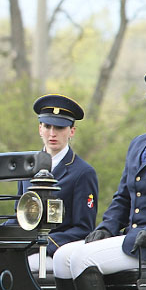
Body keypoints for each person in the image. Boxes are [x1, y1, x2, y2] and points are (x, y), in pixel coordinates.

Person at [52, 70, 146, 290]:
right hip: (132, 239)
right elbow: (123, 197)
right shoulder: (139, 144)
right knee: (61, 257)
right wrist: (107, 227)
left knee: (83, 259)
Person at [18, 94, 98, 274]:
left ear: (72, 131)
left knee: (22, 268)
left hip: (56, 251)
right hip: (26, 247)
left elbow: (83, 229)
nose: (52, 134)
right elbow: (19, 216)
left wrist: (43, 243)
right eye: (47, 126)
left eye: (60, 127)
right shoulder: (27, 168)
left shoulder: (83, 173)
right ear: (40, 128)